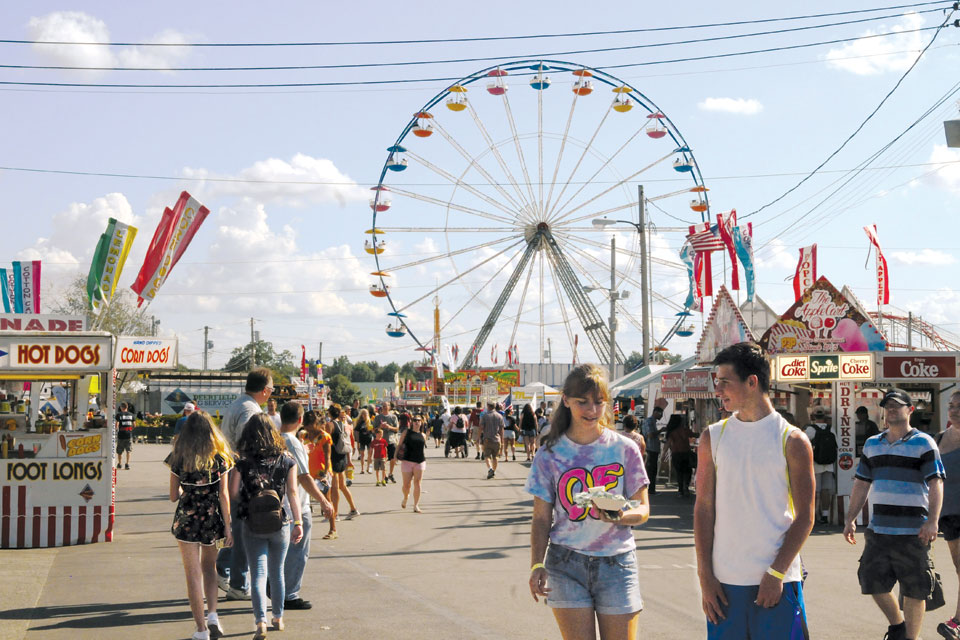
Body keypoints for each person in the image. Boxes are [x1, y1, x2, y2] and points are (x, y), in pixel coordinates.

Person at [695, 342, 815, 638]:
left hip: (777, 582)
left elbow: (805, 517)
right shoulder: (713, 437)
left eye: (724, 382)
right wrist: (705, 576)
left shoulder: (793, 440)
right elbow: (703, 508)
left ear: (752, 382)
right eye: (717, 381)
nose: (718, 389)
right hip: (724, 585)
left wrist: (776, 573)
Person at [527, 364, 650, 640]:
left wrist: (619, 516)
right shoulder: (549, 455)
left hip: (617, 564)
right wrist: (536, 564)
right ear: (566, 400)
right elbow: (541, 518)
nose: (592, 410)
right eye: (583, 402)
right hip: (565, 562)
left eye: (598, 402)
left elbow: (642, 509)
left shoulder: (624, 449)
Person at [843, 388, 945, 640]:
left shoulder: (924, 442)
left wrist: (933, 521)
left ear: (909, 410)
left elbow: (936, 483)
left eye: (897, 405)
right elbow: (861, 484)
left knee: (915, 588)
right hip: (879, 530)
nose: (891, 410)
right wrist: (850, 518)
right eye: (887, 406)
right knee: (871, 581)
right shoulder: (872, 444)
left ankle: (911, 637)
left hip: (914, 531)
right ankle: (898, 625)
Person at [229, 414, 303, 640]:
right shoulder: (287, 459)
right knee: (277, 572)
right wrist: (298, 522)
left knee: (258, 573)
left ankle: (260, 620)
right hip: (279, 522)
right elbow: (292, 493)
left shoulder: (242, 461)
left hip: (251, 523)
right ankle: (278, 617)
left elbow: (233, 493)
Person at [166, 411, 234, 640]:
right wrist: (228, 526)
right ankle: (213, 614)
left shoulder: (178, 456)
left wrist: (190, 490)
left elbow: (173, 496)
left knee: (192, 574)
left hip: (186, 519)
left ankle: (201, 629)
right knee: (209, 568)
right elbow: (224, 494)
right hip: (212, 518)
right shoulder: (219, 458)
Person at [217, 368, 273, 601]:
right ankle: (238, 583)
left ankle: (223, 567)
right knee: (244, 531)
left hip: (233, 472)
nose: (271, 393)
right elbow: (249, 447)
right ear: (264, 390)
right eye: (271, 388)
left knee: (240, 527)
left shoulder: (239, 404)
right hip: (242, 475)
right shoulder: (250, 410)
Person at [278, 402, 333, 612]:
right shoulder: (293, 442)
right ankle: (289, 593)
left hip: (279, 504)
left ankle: (276, 588)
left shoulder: (276, 438)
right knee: (297, 552)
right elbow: (303, 476)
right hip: (297, 506)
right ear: (299, 420)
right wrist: (324, 500)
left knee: (280, 552)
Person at [936, 391, 960, 640]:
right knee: (958, 568)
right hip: (948, 515)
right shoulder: (939, 438)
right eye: (951, 406)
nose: (953, 410)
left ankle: (958, 622)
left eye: (959, 406)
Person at [304, 411, 337, 540]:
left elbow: (328, 456)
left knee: (327, 500)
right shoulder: (304, 435)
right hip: (308, 471)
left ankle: (333, 529)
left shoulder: (325, 437)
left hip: (322, 472)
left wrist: (325, 474)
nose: (308, 428)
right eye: (306, 424)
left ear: (317, 423)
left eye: (311, 424)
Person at [805, 407, 838, 524]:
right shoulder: (831, 429)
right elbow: (836, 445)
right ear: (824, 417)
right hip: (829, 465)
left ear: (813, 416)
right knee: (826, 490)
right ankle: (825, 515)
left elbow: (803, 445)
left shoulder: (810, 429)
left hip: (815, 464)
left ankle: (813, 515)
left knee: (814, 491)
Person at [327, 405, 360, 522]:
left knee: (335, 487)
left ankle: (335, 514)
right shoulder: (342, 424)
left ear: (330, 413)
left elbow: (325, 441)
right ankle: (353, 508)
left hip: (334, 457)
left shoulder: (330, 425)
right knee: (342, 486)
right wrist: (349, 460)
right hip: (342, 456)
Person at [396, 413, 427, 512]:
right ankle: (405, 497)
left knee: (417, 483)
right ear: (412, 422)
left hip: (420, 461)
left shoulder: (423, 435)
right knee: (406, 485)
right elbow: (399, 444)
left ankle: (416, 505)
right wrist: (395, 456)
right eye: (415, 420)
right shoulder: (406, 432)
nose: (416, 422)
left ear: (421, 422)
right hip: (407, 461)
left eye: (418, 420)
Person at [664, 415, 695, 498]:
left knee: (679, 472)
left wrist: (663, 454)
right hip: (686, 453)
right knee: (688, 471)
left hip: (676, 454)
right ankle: (686, 487)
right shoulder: (685, 430)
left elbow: (668, 443)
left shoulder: (671, 432)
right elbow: (694, 435)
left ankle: (680, 490)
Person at [374, 403, 400, 483]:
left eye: (386, 406)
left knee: (393, 458)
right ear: (382, 408)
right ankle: (384, 475)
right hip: (381, 441)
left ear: (389, 407)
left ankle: (391, 474)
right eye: (384, 406)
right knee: (383, 459)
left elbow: (397, 429)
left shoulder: (393, 417)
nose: (385, 407)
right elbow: (374, 429)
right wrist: (380, 427)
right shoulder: (378, 417)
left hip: (391, 440)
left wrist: (389, 427)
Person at [641, 406, 664, 495]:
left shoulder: (653, 422)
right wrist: (660, 431)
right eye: (660, 414)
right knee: (651, 470)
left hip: (653, 448)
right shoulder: (649, 421)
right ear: (656, 412)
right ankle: (650, 490)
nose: (661, 416)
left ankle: (651, 489)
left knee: (652, 470)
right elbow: (650, 435)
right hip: (650, 449)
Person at [480, 400, 505, 479]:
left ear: (488, 406)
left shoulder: (485, 416)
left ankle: (490, 468)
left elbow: (481, 427)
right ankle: (493, 471)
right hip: (497, 439)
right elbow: (501, 430)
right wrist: (502, 440)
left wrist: (479, 437)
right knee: (495, 457)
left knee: (487, 456)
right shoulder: (499, 416)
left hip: (487, 439)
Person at [354, 408, 374, 475]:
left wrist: (372, 430)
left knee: (370, 455)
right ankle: (362, 469)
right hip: (362, 440)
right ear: (361, 415)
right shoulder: (360, 422)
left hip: (369, 440)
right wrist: (357, 441)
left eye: (366, 414)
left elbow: (374, 431)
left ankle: (370, 468)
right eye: (363, 414)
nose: (365, 415)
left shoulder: (370, 421)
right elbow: (356, 431)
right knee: (362, 455)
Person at [115, 401, 135, 470]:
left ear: (121, 407)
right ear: (127, 407)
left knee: (119, 451)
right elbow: (134, 425)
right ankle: (127, 464)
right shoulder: (132, 415)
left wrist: (116, 429)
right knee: (128, 450)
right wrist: (129, 429)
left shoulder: (119, 415)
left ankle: (120, 464)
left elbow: (117, 425)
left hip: (121, 435)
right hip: (128, 435)